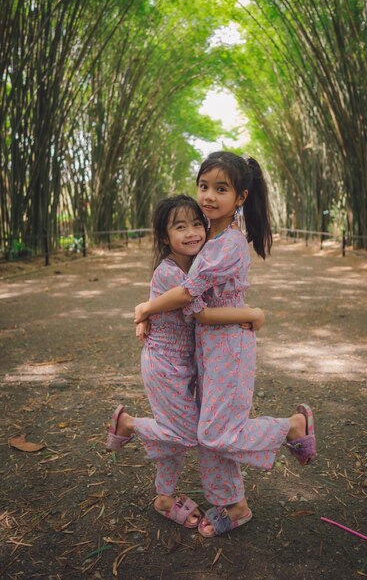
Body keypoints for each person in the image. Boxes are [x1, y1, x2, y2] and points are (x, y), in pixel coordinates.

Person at [132, 152, 317, 538]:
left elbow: (190, 301)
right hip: (208, 349)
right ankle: (234, 506)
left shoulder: (227, 244)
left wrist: (145, 308)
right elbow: (182, 294)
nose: (209, 196)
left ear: (241, 197)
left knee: (216, 433)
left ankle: (292, 426)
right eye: (203, 186)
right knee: (208, 431)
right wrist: (151, 315)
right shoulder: (207, 240)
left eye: (221, 188)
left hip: (229, 350)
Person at [106, 194, 266, 530]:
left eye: (197, 224)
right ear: (165, 237)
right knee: (186, 434)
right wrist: (252, 313)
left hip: (190, 362)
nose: (192, 232)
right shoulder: (170, 273)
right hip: (165, 365)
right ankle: (129, 424)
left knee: (178, 435)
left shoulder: (196, 264)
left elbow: (163, 301)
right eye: (181, 227)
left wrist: (145, 311)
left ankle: (165, 497)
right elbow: (196, 306)